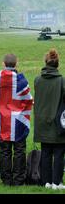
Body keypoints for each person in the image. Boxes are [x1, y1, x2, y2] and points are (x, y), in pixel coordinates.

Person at [0, 54, 33, 186]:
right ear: (16, 64)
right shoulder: (21, 81)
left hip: (2, 121)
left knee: (4, 151)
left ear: (3, 63)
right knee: (19, 151)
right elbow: (28, 99)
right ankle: (19, 179)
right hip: (18, 121)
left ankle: (6, 180)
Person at [33, 49, 65, 190]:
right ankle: (57, 182)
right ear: (57, 64)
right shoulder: (62, 81)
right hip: (58, 122)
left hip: (42, 122)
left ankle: (46, 182)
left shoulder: (37, 80)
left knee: (45, 153)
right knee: (58, 154)